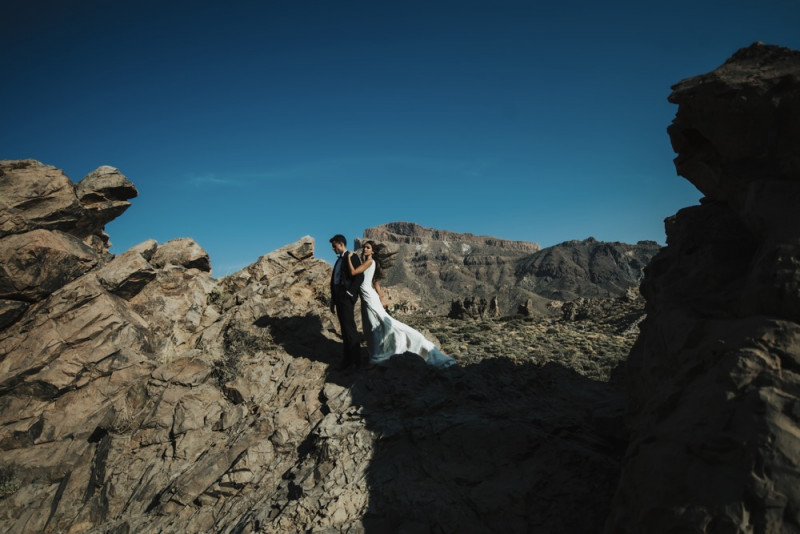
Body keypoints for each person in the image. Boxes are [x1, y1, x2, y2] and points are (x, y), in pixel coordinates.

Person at [346, 240, 456, 368]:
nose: (365, 249)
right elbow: (376, 282)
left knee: (376, 325)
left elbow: (353, 272)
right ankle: (376, 353)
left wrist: (348, 258)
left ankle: (378, 356)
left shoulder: (370, 262)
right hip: (368, 297)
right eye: (364, 247)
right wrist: (381, 299)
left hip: (369, 298)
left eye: (368, 248)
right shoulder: (368, 262)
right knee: (370, 327)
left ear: (373, 251)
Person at [329, 234, 364, 370]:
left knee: (350, 329)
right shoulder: (338, 261)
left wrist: (350, 293)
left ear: (341, 244)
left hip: (346, 298)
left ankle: (356, 362)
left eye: (334, 246)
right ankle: (347, 360)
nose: (333, 249)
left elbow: (359, 276)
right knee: (344, 330)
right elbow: (335, 281)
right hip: (338, 299)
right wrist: (333, 299)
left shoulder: (352, 256)